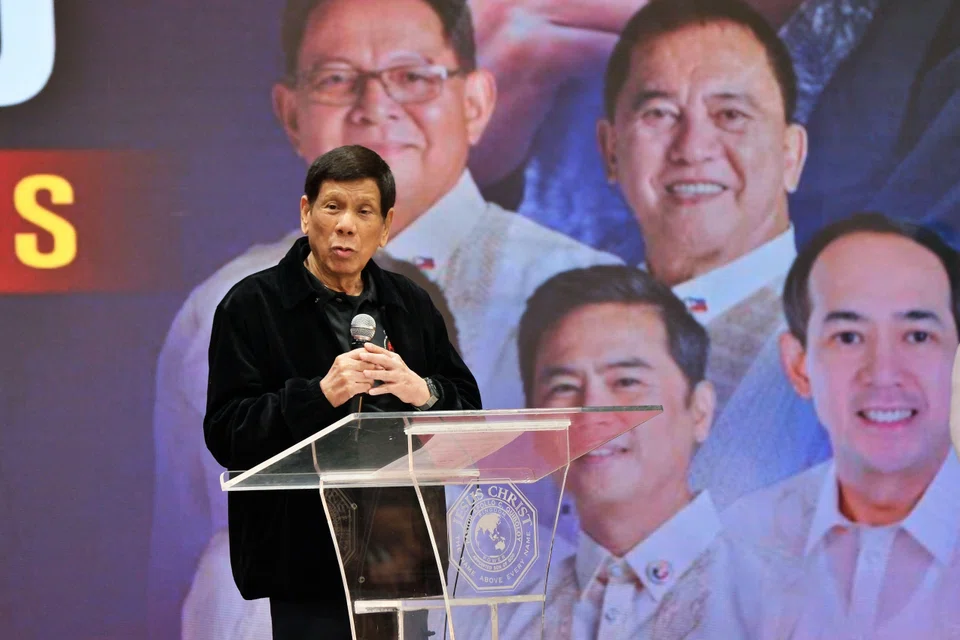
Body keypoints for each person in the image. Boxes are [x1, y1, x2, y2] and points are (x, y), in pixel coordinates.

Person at [148, 0, 619, 635]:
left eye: (413, 75)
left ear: (477, 101)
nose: (375, 106)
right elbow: (190, 546)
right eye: (338, 78)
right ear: (292, 113)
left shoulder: (590, 297)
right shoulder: (223, 307)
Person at [202, 144, 482, 639]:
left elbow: (467, 408)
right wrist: (318, 395)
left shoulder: (409, 303)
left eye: (364, 211)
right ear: (306, 212)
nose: (346, 224)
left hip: (400, 550)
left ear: (386, 225)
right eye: (333, 206)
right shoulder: (251, 306)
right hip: (304, 557)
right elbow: (227, 432)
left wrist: (423, 391)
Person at [588, 0, 827, 515]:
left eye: (731, 115)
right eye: (659, 113)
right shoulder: (554, 330)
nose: (693, 147)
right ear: (610, 150)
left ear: (792, 155)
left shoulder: (852, 339)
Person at [469, 266, 788, 639]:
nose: (592, 410)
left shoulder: (789, 606)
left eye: (626, 381)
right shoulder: (497, 624)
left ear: (699, 410)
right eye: (564, 386)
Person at [726, 213, 960, 637]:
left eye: (918, 336)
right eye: (849, 337)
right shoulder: (742, 540)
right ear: (799, 367)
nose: (884, 372)